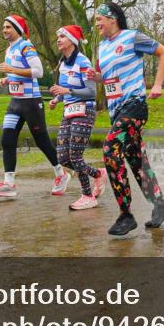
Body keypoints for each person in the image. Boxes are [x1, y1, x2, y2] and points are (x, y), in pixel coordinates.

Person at [86, 2, 164, 236]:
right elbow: (110, 78)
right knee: (136, 161)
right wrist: (97, 77)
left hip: (134, 106)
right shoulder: (103, 47)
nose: (96, 24)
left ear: (112, 18)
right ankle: (160, 205)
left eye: (99, 19)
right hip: (117, 110)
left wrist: (157, 84)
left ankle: (125, 215)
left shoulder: (132, 37)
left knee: (110, 150)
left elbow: (163, 52)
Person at [0, 14, 69, 199]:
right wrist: (6, 79)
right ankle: (9, 184)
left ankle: (61, 174)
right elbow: (17, 74)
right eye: (4, 26)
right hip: (15, 102)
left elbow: (38, 71)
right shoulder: (9, 50)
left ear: (17, 29)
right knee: (7, 140)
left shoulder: (26, 46)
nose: (4, 30)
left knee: (42, 141)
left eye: (8, 27)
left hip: (31, 102)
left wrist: (11, 71)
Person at [48, 24, 106, 210]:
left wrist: (67, 90)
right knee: (63, 157)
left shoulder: (83, 62)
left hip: (85, 110)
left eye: (62, 37)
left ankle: (88, 196)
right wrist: (57, 98)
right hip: (68, 110)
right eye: (58, 37)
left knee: (75, 156)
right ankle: (98, 174)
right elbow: (66, 90)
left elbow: (90, 90)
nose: (58, 40)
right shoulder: (63, 63)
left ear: (72, 41)